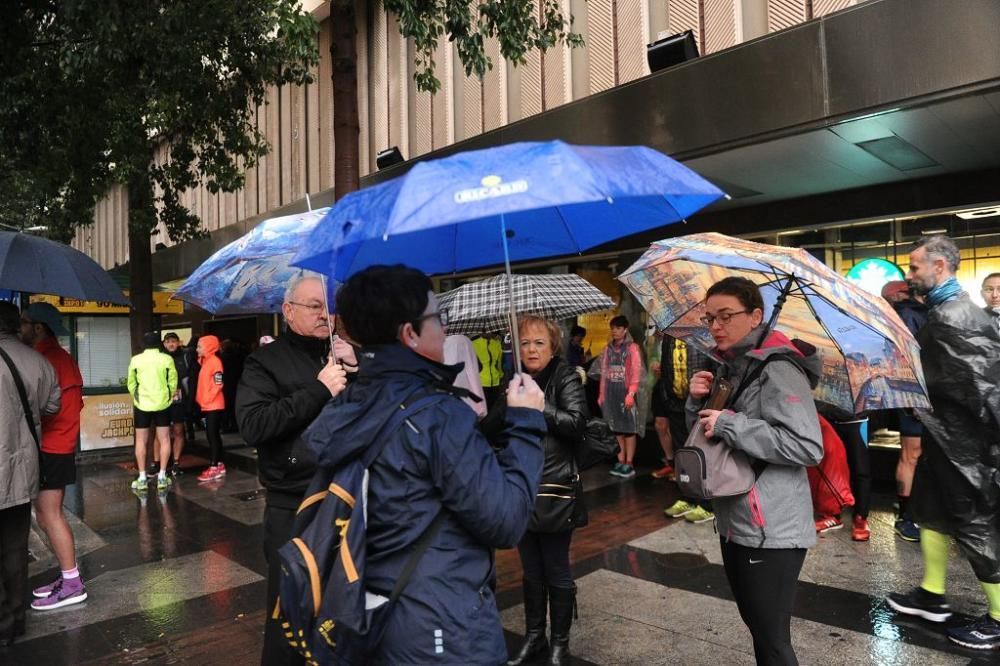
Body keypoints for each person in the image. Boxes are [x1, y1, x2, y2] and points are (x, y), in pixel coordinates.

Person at [303, 264, 547, 665]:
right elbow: (505, 520)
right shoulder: (437, 416)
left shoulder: (348, 404)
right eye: (437, 318)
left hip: (369, 614)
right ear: (410, 334)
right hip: (442, 626)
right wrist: (526, 423)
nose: (444, 328)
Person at [686, 277, 823, 665]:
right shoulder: (734, 367)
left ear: (756, 316)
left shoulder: (778, 369)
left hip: (772, 529)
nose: (715, 326)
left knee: (773, 640)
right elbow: (707, 441)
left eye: (726, 316)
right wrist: (696, 402)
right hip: (736, 519)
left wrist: (730, 423)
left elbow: (807, 446)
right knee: (761, 634)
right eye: (710, 317)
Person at [887, 236, 1000, 650]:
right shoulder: (945, 312)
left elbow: (981, 389)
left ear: (939, 266)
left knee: (974, 524)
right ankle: (932, 595)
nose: (910, 274)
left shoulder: (955, 316)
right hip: (945, 438)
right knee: (930, 512)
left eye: (915, 267)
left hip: (966, 447)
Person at [235, 275, 353, 666]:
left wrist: (360, 370)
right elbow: (255, 424)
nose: (325, 314)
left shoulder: (343, 354)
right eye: (314, 306)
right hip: (294, 505)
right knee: (291, 608)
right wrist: (319, 390)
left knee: (341, 607)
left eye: (329, 307)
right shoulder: (263, 362)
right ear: (288, 312)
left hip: (346, 500)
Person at [481, 315, 588, 666]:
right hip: (521, 484)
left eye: (539, 342)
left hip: (556, 486)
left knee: (555, 567)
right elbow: (491, 431)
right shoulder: (517, 379)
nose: (531, 349)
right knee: (530, 569)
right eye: (524, 342)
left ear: (553, 344)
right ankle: (533, 637)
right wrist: (508, 401)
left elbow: (576, 425)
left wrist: (541, 405)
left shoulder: (565, 375)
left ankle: (559, 643)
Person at [18, 303, 87, 611]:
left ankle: (72, 583)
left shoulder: (47, 359)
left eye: (23, 323)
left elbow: (45, 408)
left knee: (50, 515)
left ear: (38, 328)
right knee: (48, 515)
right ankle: (67, 575)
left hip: (51, 446)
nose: (19, 328)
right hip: (57, 445)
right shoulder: (58, 357)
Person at [0, 302, 60, 646]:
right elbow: (53, 405)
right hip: (22, 468)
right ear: (15, 326)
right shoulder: (38, 361)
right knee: (14, 546)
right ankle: (17, 618)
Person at [881, 280, 928, 542]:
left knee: (912, 456)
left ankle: (908, 509)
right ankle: (907, 517)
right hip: (916, 397)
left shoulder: (899, 316)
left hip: (909, 396)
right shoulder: (910, 315)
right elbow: (909, 359)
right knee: (912, 456)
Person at [656, 332, 719, 525]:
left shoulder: (704, 333)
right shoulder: (670, 334)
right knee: (682, 453)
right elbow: (666, 364)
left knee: (703, 454)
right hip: (675, 401)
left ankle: (708, 503)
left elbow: (715, 363)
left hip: (700, 402)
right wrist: (667, 393)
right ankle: (687, 496)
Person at [127, 332, 177, 492]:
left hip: (142, 403)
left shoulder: (136, 360)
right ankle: (162, 476)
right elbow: (173, 382)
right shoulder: (167, 359)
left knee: (141, 440)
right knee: (164, 439)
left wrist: (137, 397)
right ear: (159, 344)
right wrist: (168, 396)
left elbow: (131, 383)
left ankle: (142, 477)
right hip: (163, 403)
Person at [598, 315, 643, 478]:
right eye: (613, 328)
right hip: (611, 391)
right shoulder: (607, 349)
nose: (614, 331)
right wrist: (601, 394)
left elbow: (636, 373)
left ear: (625, 330)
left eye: (618, 328)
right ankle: (620, 460)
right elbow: (603, 373)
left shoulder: (632, 348)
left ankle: (629, 462)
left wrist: (631, 393)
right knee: (616, 428)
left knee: (629, 428)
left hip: (625, 392)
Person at [195, 335, 227, 482]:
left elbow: (218, 383)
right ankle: (218, 464)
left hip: (213, 404)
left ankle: (215, 466)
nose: (197, 349)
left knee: (212, 435)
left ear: (208, 347)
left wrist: (207, 399)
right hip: (209, 404)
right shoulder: (207, 362)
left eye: (200, 346)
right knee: (212, 435)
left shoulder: (214, 362)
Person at [162, 332, 189, 476]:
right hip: (162, 400)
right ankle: (161, 463)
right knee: (162, 432)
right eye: (168, 341)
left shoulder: (184, 357)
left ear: (179, 342)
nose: (171, 344)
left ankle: (176, 462)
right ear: (164, 343)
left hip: (179, 400)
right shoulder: (160, 358)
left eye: (174, 341)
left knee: (179, 431)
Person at [474, 334, 505, 406]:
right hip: (481, 382)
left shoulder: (497, 344)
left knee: (494, 408)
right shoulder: (474, 344)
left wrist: (501, 375)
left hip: (496, 381)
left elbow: (499, 363)